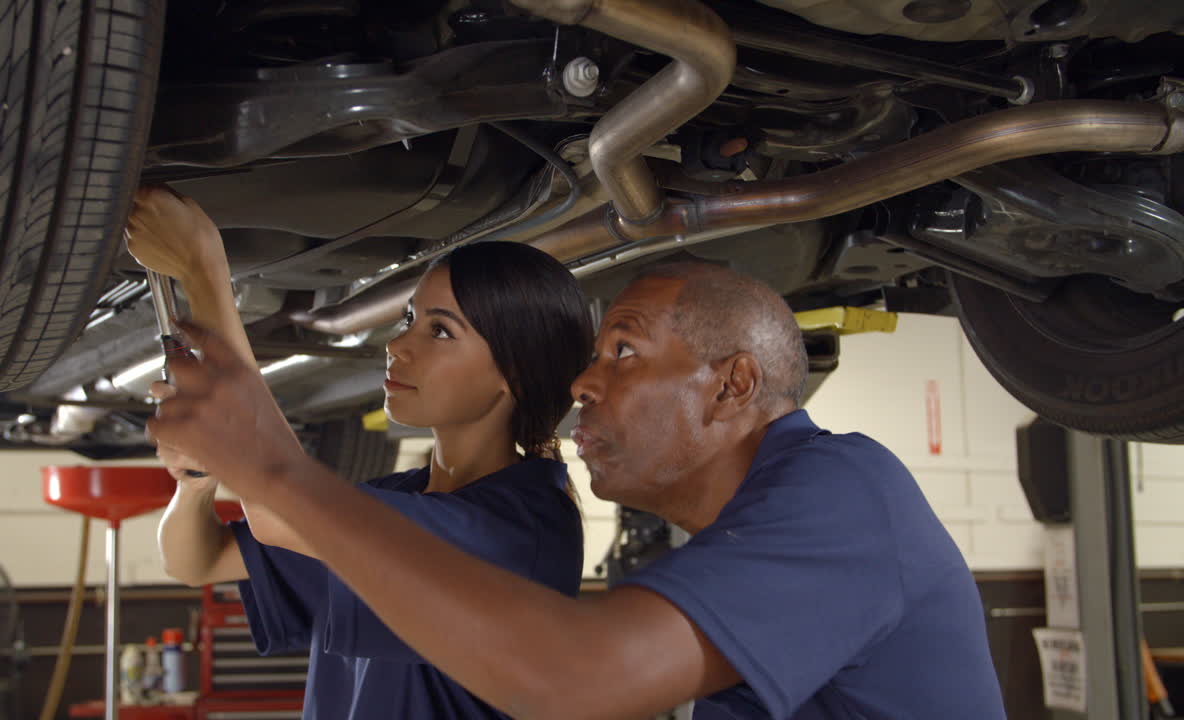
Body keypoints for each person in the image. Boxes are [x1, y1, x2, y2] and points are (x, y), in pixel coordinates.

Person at [147, 254, 1008, 719]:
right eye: (594, 358)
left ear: (733, 386)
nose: (586, 384)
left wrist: (267, 462)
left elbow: (576, 678)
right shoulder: (750, 537)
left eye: (623, 351)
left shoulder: (846, 493)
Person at [125, 186, 594, 718]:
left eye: (440, 331)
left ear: (512, 374)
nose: (398, 345)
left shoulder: (518, 529)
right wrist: (197, 480)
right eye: (409, 319)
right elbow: (196, 559)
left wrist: (203, 269)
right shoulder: (397, 499)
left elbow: (277, 502)